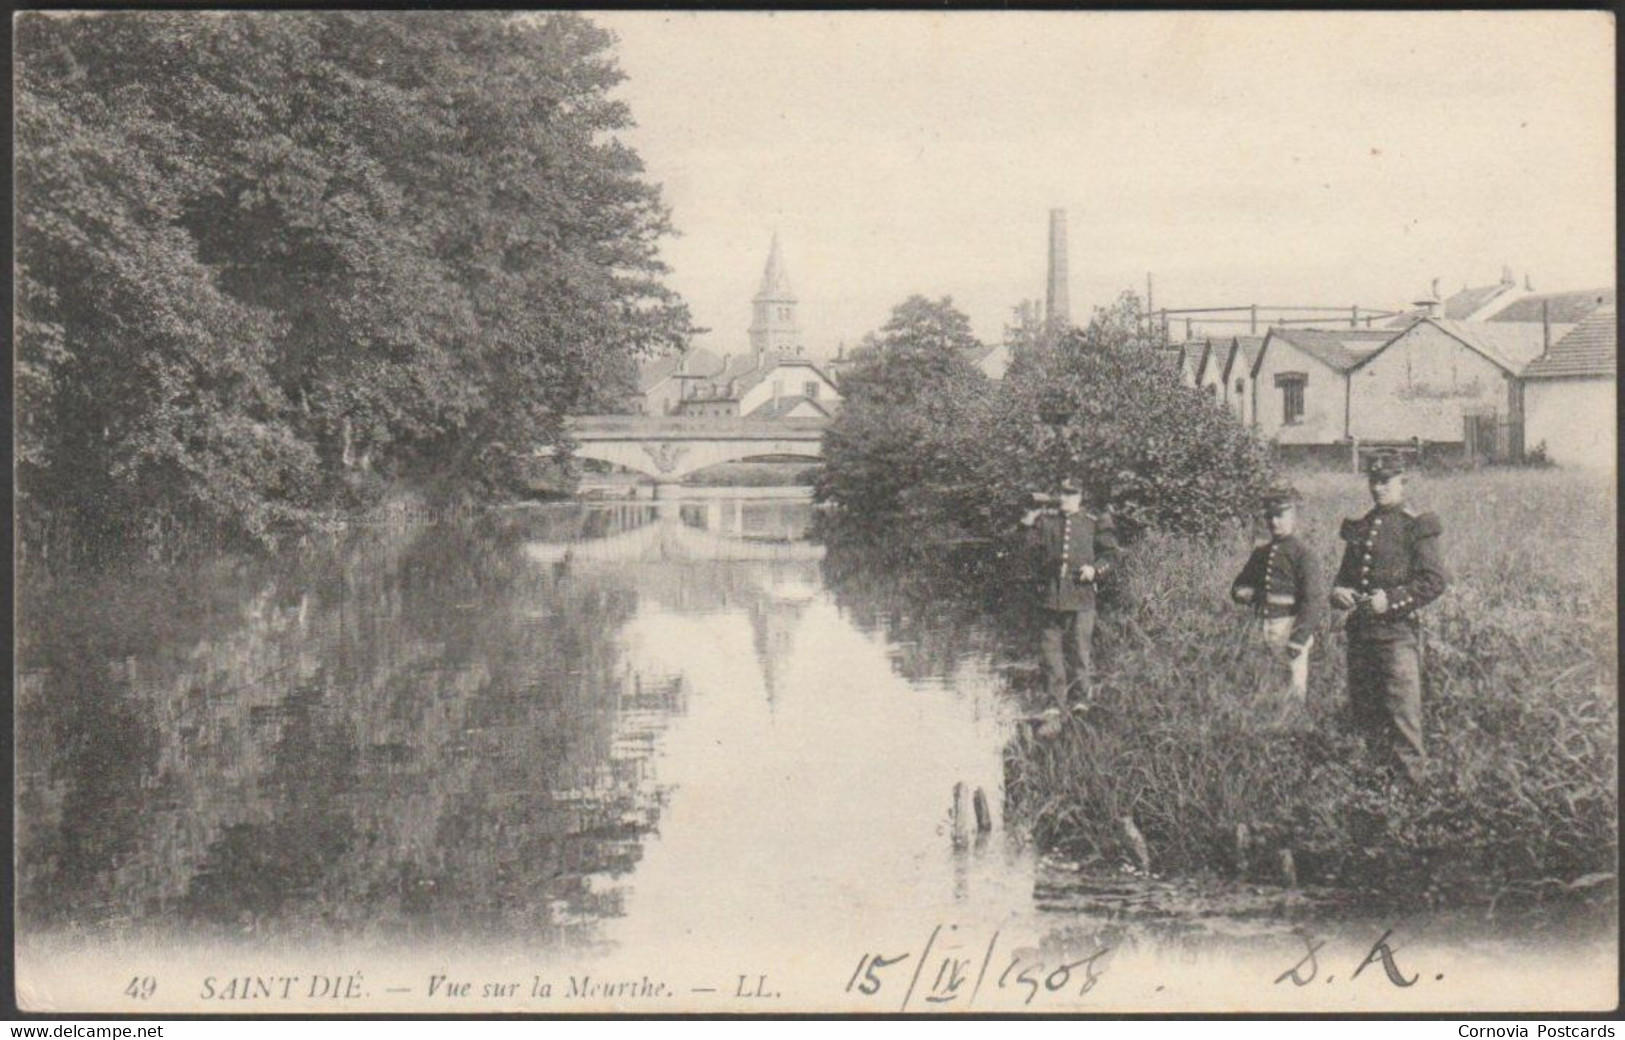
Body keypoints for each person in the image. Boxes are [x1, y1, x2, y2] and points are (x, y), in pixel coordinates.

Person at [1330, 452, 1448, 781]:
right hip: (1361, 636)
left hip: (1397, 636)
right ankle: (1374, 788)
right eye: (1373, 481)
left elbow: (1434, 581)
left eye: (1385, 481)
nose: (1378, 488)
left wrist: (1391, 600)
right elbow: (1345, 578)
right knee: (1365, 715)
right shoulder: (1361, 527)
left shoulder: (1416, 527)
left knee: (1403, 719)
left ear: (1402, 482)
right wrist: (1339, 592)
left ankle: (1414, 795)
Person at [1020, 477, 1119, 719]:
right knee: (1050, 652)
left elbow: (1111, 555)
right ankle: (1055, 702)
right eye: (1063, 493)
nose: (1065, 498)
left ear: (1080, 496)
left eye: (1071, 493)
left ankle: (1081, 699)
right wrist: (1027, 524)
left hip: (1081, 595)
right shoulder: (1046, 522)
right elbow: (1027, 553)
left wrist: (1095, 571)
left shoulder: (1093, 522)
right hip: (1050, 596)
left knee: (1079, 650)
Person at [1230, 487, 1324, 710]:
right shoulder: (1261, 554)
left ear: (1293, 517)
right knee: (1262, 689)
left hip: (1289, 626)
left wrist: (1298, 638)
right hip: (1260, 627)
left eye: (1280, 515)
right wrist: (1244, 593)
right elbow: (1239, 585)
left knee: (1294, 694)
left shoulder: (1304, 554)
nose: (1274, 522)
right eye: (1270, 516)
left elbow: (1313, 600)